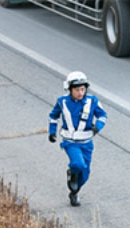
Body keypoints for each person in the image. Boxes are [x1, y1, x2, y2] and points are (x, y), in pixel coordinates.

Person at [48, 71, 107, 206]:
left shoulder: (93, 101)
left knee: (85, 173)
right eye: (76, 89)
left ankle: (74, 193)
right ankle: (72, 173)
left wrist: (97, 127)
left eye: (82, 89)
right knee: (78, 164)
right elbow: (53, 116)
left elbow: (103, 116)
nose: (80, 92)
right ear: (69, 89)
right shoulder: (62, 102)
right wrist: (52, 132)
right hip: (70, 142)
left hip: (87, 142)